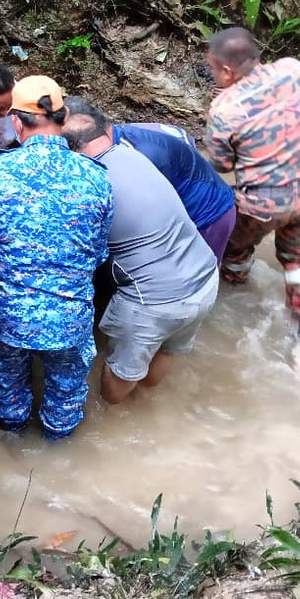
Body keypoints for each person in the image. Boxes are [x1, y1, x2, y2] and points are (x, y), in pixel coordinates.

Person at [0, 75, 113, 438]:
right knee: (65, 403)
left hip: (9, 318)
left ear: (16, 121)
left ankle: (11, 446)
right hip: (70, 318)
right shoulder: (97, 178)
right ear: (64, 119)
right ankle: (58, 451)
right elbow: (98, 254)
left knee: (9, 398)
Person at [62, 100, 219, 403]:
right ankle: (145, 403)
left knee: (117, 380)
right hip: (205, 278)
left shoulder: (90, 182)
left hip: (155, 302)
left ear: (69, 151)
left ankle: (114, 415)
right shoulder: (132, 154)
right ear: (105, 132)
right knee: (167, 349)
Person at [204, 27, 300, 346]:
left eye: (213, 69)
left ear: (227, 70)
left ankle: (237, 291)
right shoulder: (293, 69)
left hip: (262, 205)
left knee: (234, 245)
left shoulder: (224, 108)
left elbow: (222, 165)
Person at [64, 98, 236, 265]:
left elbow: (143, 221)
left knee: (194, 277)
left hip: (209, 214)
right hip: (196, 184)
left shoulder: (141, 157)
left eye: (73, 145)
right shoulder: (131, 134)